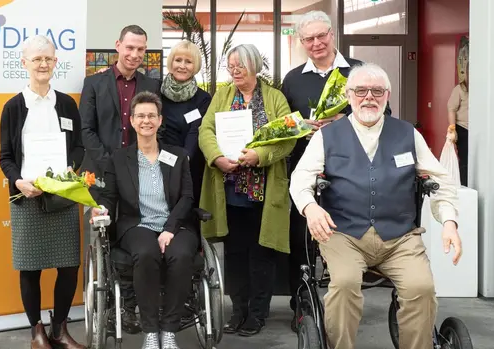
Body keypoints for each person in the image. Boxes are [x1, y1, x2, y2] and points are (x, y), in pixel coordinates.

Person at [289, 62, 463, 349]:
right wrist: (310, 207)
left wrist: (449, 222)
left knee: (421, 288)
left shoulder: (408, 134)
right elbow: (301, 179)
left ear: (388, 95)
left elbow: (440, 181)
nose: (368, 97)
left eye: (377, 91)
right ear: (348, 95)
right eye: (360, 90)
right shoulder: (326, 136)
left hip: (399, 237)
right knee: (344, 286)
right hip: (343, 234)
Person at [280, 10, 391, 331]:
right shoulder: (293, 78)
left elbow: (388, 113)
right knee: (299, 241)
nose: (316, 43)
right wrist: (301, 126)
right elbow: (283, 122)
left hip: (353, 175)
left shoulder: (359, 71)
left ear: (332, 35)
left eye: (321, 36)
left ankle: (345, 305)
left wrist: (349, 121)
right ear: (301, 43)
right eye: (309, 39)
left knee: (348, 240)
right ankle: (301, 307)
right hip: (306, 175)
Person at [198, 44, 295, 337]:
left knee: (261, 254)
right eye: (231, 66)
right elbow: (206, 130)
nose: (235, 71)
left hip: (264, 192)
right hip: (230, 190)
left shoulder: (275, 98)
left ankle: (257, 314)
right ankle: (238, 310)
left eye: (240, 65)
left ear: (254, 65)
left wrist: (260, 156)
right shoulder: (223, 96)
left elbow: (289, 136)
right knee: (235, 253)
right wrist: (217, 158)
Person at [91, 91, 198, 349]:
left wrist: (170, 229)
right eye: (141, 116)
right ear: (132, 120)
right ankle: (151, 330)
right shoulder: (119, 159)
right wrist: (101, 209)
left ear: (160, 120)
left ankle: (169, 330)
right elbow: (109, 196)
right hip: (137, 225)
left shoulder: (178, 155)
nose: (146, 120)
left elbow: (186, 197)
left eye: (152, 115)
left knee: (181, 255)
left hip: (175, 224)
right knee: (146, 252)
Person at [0, 35, 85, 349]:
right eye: (36, 59)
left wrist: (68, 172)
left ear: (55, 63)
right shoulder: (13, 107)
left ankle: (59, 329)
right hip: (27, 197)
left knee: (69, 266)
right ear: (24, 63)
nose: (43, 64)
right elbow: (5, 157)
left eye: (48, 58)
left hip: (62, 196)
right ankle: (37, 332)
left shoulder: (66, 104)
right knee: (30, 267)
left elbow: (78, 147)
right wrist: (19, 182)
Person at [79, 24, 161, 333]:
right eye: (130, 48)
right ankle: (106, 305)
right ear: (118, 46)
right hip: (102, 176)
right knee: (104, 236)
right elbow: (86, 129)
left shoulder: (152, 83)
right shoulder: (94, 84)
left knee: (136, 236)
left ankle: (130, 306)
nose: (135, 54)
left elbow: (154, 126)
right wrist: (111, 164)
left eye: (141, 49)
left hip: (143, 175)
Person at [159, 40, 212, 206]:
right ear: (171, 62)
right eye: (178, 60)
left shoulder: (203, 98)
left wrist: (184, 159)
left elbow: (196, 131)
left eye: (188, 62)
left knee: (187, 214)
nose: (182, 66)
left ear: (195, 66)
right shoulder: (156, 91)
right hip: (159, 162)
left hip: (190, 166)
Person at [446, 61, 469, 186]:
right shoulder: (459, 89)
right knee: (465, 159)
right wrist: (452, 128)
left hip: (478, 130)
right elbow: (451, 109)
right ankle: (464, 184)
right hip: (463, 128)